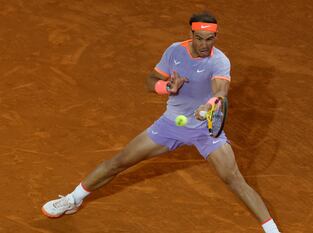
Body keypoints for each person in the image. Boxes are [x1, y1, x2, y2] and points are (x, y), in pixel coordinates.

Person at [41, 12, 281, 233]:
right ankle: (73, 199)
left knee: (235, 180)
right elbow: (150, 80)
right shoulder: (174, 52)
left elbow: (221, 90)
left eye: (210, 39)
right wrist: (166, 87)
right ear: (191, 35)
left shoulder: (219, 60)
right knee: (118, 162)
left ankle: (273, 231)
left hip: (206, 131)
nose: (204, 45)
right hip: (170, 126)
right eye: (199, 38)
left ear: (216, 37)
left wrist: (209, 106)